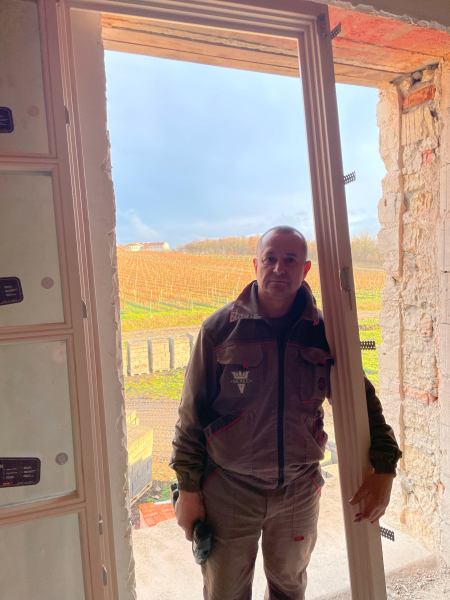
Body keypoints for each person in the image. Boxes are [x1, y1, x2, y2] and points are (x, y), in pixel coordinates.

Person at [170, 226, 401, 600]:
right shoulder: (219, 330)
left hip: (298, 491)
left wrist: (385, 468)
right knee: (225, 592)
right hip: (228, 490)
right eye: (270, 259)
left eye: (290, 260)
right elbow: (190, 415)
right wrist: (188, 490)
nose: (279, 268)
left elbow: (362, 400)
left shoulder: (325, 332)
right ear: (256, 265)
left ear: (305, 269)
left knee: (289, 589)